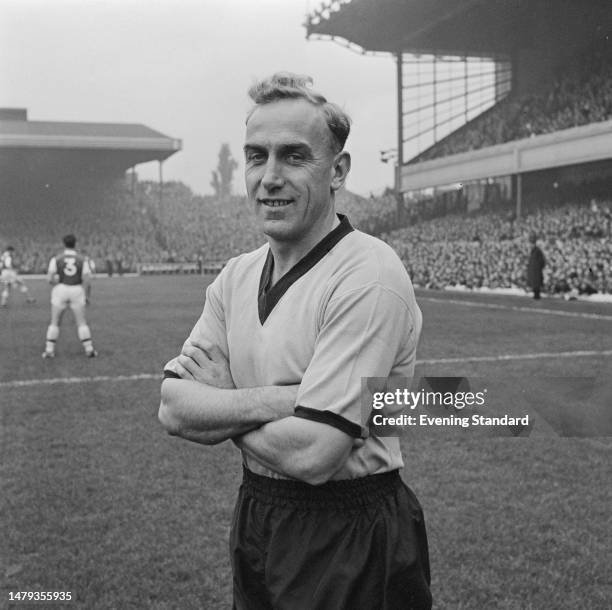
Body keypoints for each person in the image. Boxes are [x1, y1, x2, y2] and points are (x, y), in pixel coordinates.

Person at [158, 73, 430, 609]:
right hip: (258, 510)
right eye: (257, 157)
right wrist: (284, 399)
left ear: (338, 170)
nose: (270, 177)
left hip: (348, 526)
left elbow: (315, 454)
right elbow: (172, 408)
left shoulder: (367, 273)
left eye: (294, 157)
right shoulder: (235, 276)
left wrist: (223, 403)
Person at [42, 234, 97, 358]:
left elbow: (49, 279)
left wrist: (57, 281)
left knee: (55, 322)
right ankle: (89, 349)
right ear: (75, 243)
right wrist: (87, 296)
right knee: (81, 322)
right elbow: (87, 280)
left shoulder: (56, 259)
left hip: (61, 289)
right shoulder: (82, 259)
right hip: (77, 289)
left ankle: (49, 350)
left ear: (64, 244)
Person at [527, 232, 546, 299]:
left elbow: (542, 261)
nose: (530, 245)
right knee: (534, 283)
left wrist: (539, 267)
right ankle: (536, 295)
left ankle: (537, 295)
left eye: (531, 244)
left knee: (537, 283)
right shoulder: (533, 251)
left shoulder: (537, 251)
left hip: (536, 270)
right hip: (533, 270)